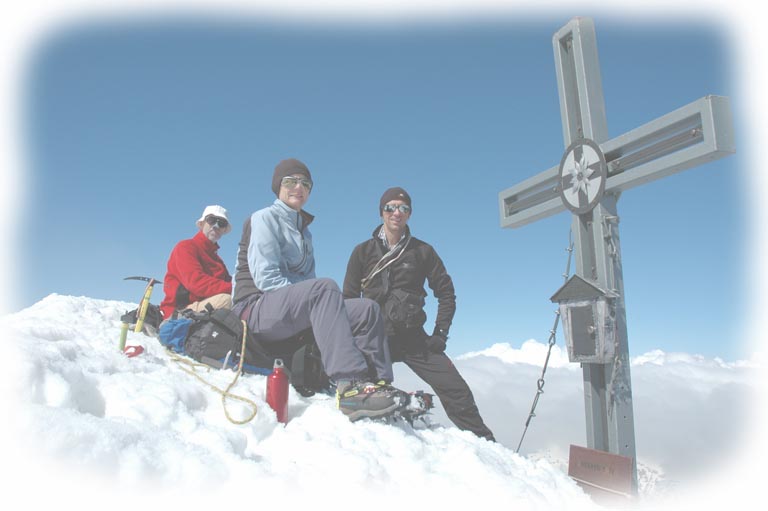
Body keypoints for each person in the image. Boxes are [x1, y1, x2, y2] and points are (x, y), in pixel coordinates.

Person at [231, 158, 411, 421]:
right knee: (325, 289)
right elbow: (266, 278)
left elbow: (309, 284)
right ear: (277, 186)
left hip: (287, 309)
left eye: (305, 183)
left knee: (366, 309)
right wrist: (319, 300)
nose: (298, 187)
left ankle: (379, 385)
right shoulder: (264, 218)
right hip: (254, 308)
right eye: (290, 181)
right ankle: (350, 386)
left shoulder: (305, 233)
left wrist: (323, 303)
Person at [343, 187, 495, 440]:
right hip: (375, 339)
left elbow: (446, 293)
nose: (396, 213)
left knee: (456, 390)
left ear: (410, 214)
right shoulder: (363, 252)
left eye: (403, 208)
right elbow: (348, 299)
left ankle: (486, 444)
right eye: (390, 207)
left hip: (413, 337)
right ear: (381, 212)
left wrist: (441, 333)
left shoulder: (423, 251)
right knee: (366, 394)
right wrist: (352, 341)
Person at [159, 205, 233, 320]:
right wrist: (237, 288)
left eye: (222, 223)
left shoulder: (218, 262)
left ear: (224, 230)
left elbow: (231, 282)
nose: (216, 226)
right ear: (202, 223)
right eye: (211, 220)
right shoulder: (186, 247)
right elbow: (196, 283)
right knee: (227, 300)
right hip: (180, 312)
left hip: (203, 309)